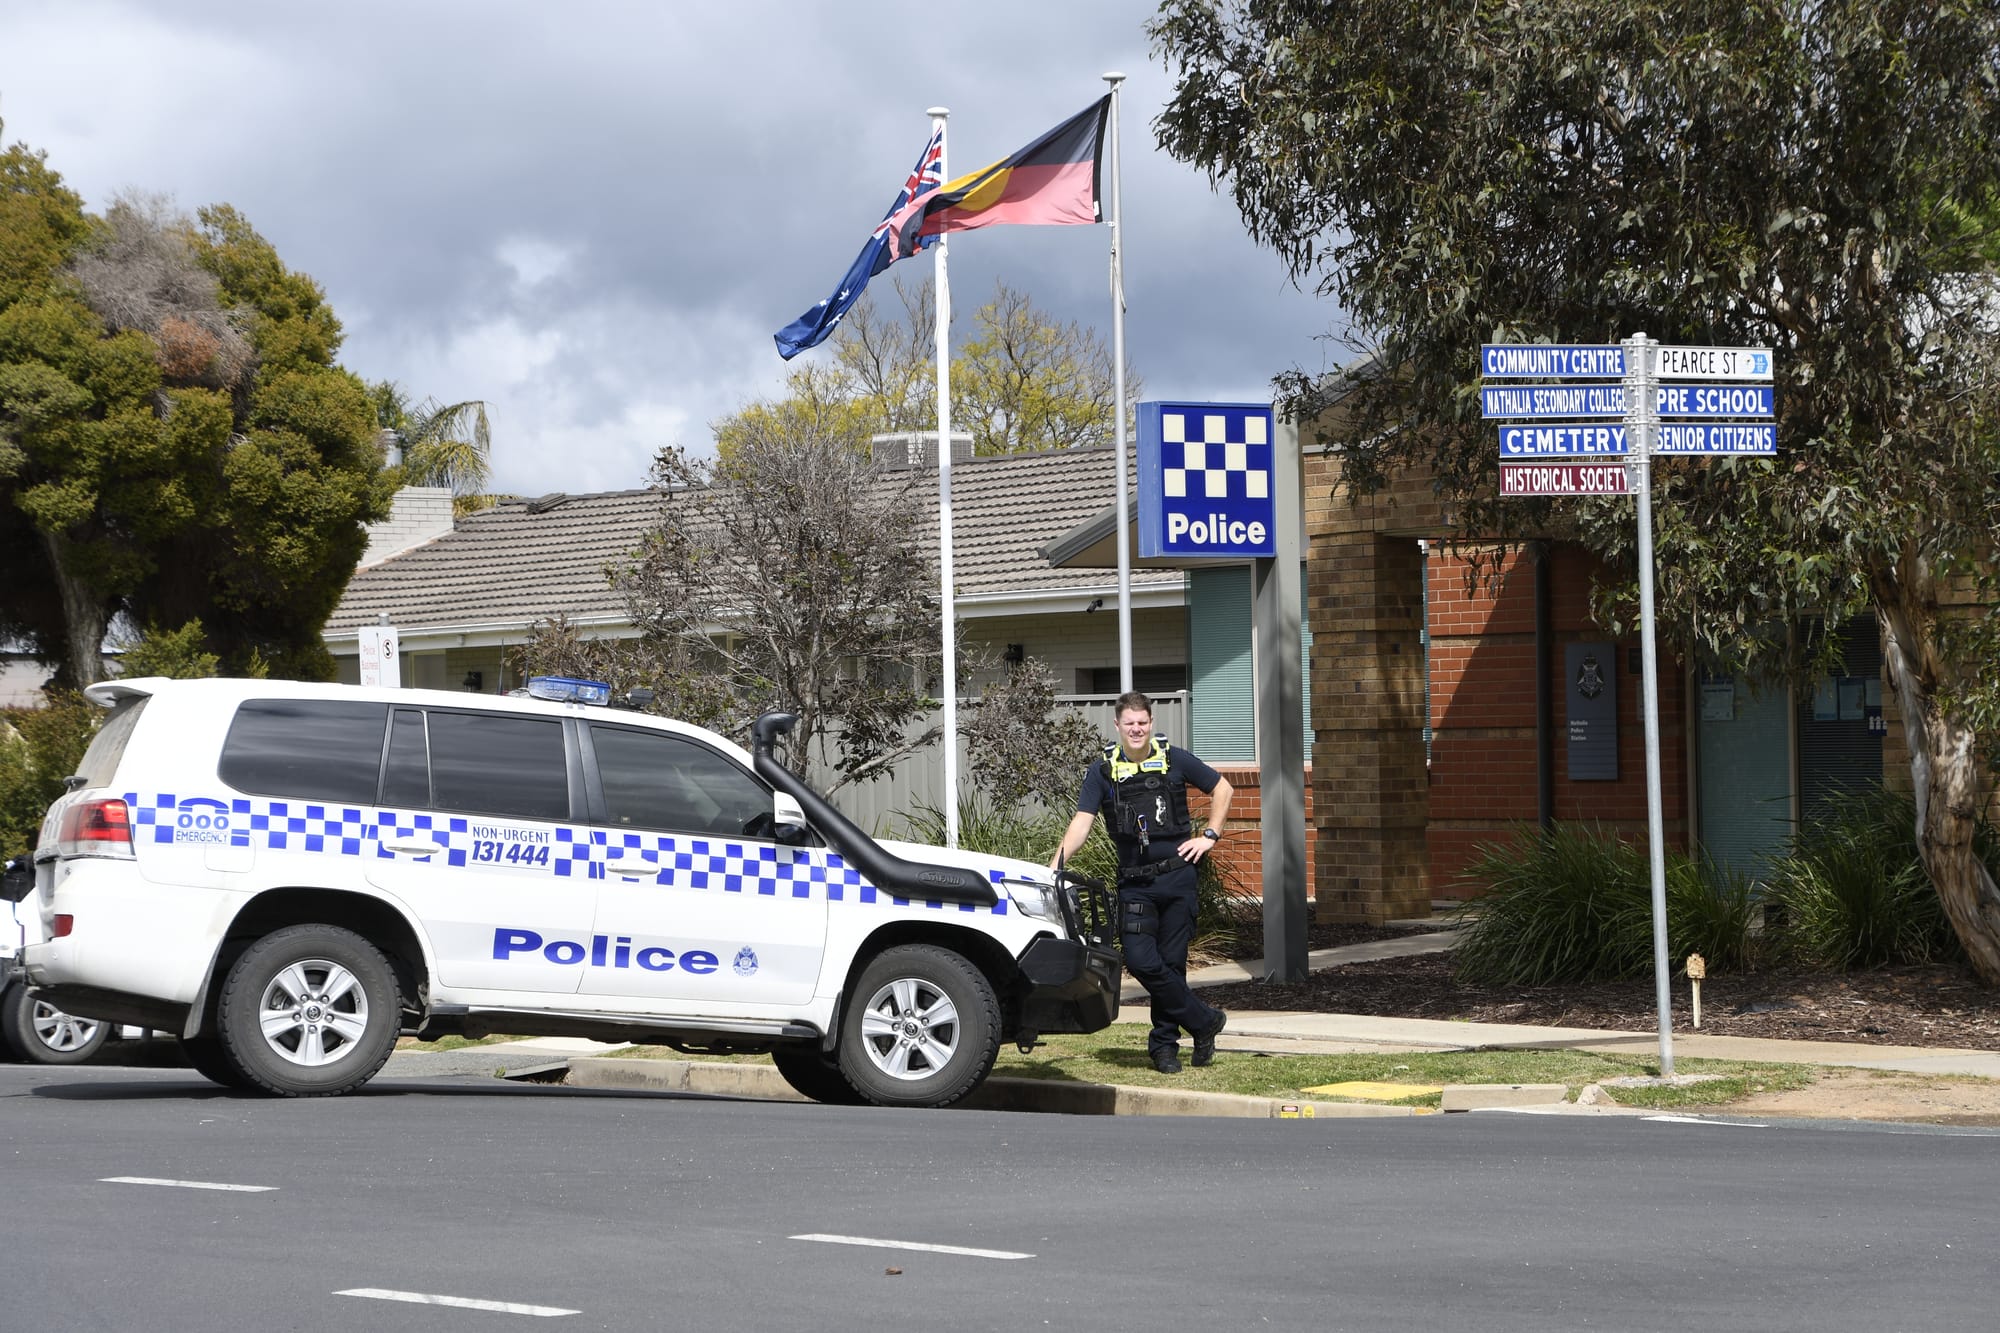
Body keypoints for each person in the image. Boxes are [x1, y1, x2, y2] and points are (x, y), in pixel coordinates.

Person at [1050, 690, 1232, 1074]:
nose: (1136, 729)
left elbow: (1223, 789)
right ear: (1117, 725)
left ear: (1151, 724)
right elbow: (1082, 823)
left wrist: (1209, 836)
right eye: (1129, 723)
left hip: (1178, 877)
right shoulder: (1101, 772)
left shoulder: (1175, 759)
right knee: (1140, 960)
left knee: (1172, 963)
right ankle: (1204, 1022)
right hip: (1135, 883)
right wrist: (1055, 868)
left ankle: (1164, 1047)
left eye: (1142, 722)